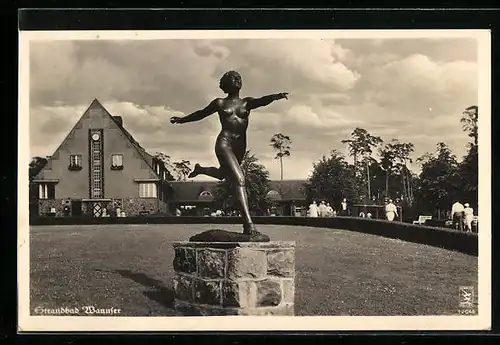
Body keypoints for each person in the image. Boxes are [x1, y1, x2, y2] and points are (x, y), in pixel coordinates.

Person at [170, 70, 288, 238]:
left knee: (223, 175)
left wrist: (275, 96)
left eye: (239, 77)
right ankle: (249, 226)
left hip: (240, 146)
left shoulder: (247, 103)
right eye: (233, 78)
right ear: (226, 84)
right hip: (224, 143)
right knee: (239, 180)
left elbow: (261, 101)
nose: (237, 79)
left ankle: (201, 169)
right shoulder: (219, 103)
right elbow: (201, 113)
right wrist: (182, 120)